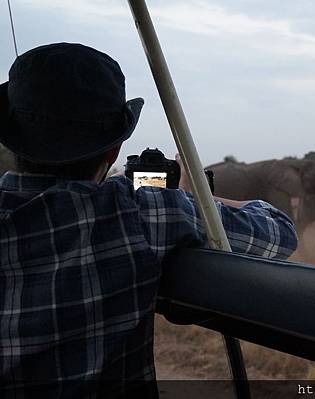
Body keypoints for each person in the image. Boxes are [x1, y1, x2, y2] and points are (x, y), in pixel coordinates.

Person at [0, 43, 298, 397]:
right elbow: (279, 231)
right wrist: (192, 195)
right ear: (114, 152)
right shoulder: (139, 212)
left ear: (12, 141)